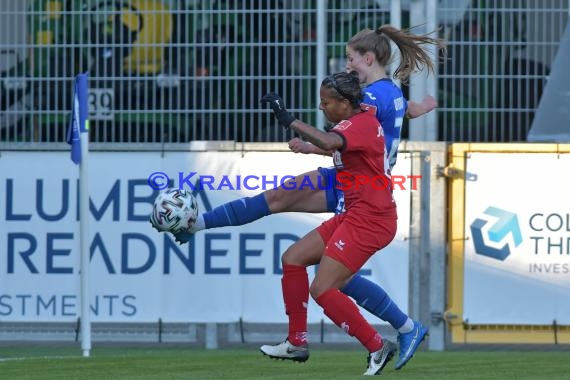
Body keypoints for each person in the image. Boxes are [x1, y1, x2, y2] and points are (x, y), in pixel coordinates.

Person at [151, 25, 444, 370]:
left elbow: (344, 132)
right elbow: (395, 115)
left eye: (352, 60)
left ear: (369, 58)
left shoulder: (369, 99)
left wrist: (294, 123)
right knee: (286, 219)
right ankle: (198, 225)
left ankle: (398, 331)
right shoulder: (390, 92)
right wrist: (424, 105)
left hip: (355, 185)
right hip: (350, 174)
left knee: (324, 271)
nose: (349, 67)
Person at [260, 71, 400, 375]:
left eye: (325, 102)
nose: (322, 106)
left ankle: (377, 345)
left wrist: (289, 119)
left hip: (371, 220)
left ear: (344, 102)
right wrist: (310, 146)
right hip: (357, 214)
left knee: (323, 289)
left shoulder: (360, 123)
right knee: (293, 259)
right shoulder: (357, 121)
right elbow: (333, 145)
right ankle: (297, 341)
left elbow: (328, 140)